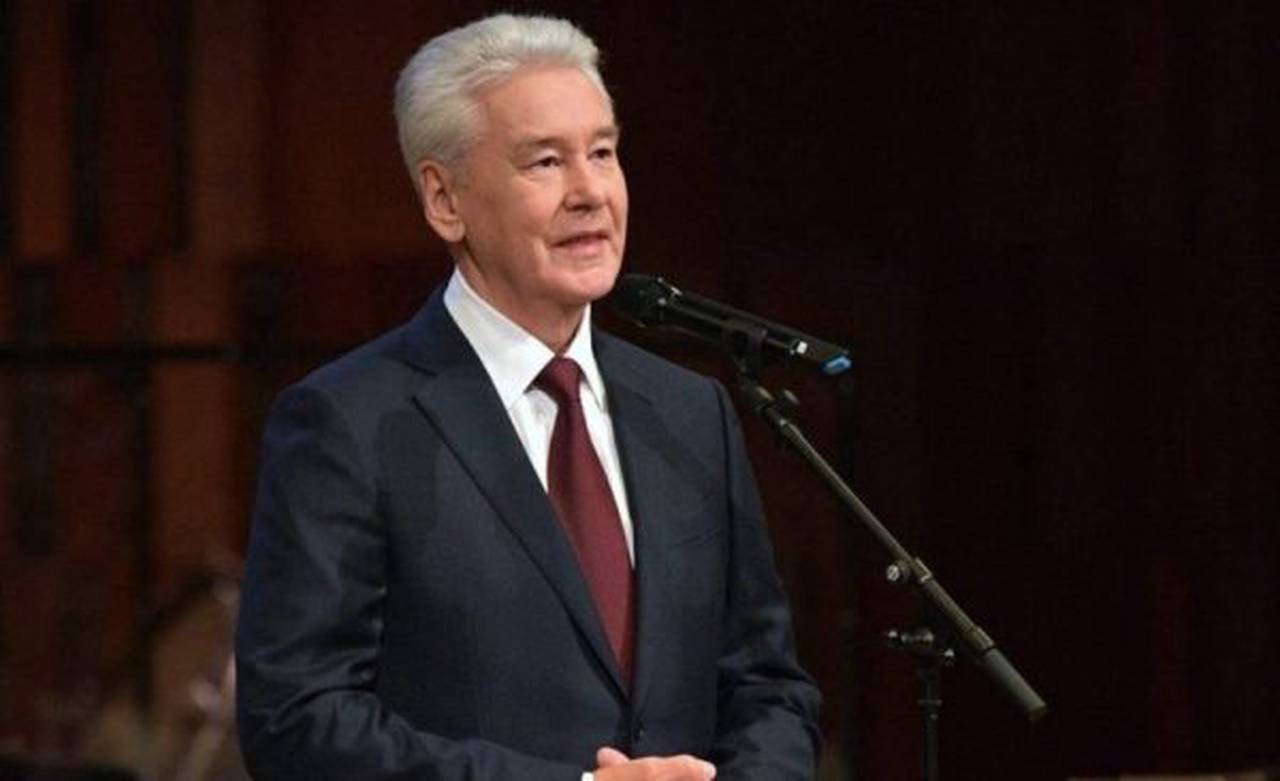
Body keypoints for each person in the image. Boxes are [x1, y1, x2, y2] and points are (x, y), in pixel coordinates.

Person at [235, 13, 821, 781]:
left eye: (603, 152)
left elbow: (769, 686)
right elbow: (296, 718)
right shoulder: (350, 421)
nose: (590, 192)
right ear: (445, 200)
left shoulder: (690, 412)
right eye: (545, 161)